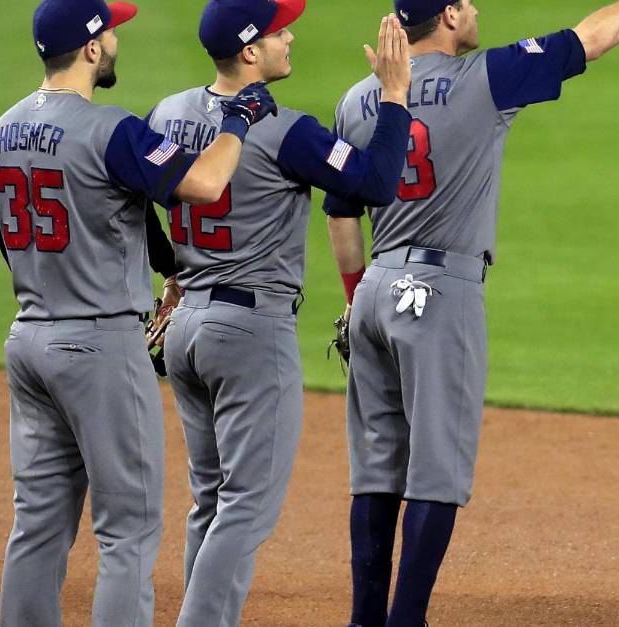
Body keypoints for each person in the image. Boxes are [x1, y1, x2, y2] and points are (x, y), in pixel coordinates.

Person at [323, 1, 619, 624]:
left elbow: (341, 213)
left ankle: (366, 618)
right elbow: (590, 38)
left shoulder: (356, 99)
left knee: (376, 466)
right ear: (449, 17)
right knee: (436, 473)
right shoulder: (484, 76)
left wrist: (353, 296)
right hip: (436, 292)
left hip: (372, 289)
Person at [0, 1, 274, 624]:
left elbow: (11, 231)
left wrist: (160, 269)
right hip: (99, 347)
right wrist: (239, 120)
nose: (115, 40)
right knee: (128, 531)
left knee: (36, 526)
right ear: (89, 49)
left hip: (28, 338)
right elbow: (205, 183)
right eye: (108, 32)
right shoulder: (110, 129)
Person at [144, 1, 414, 625]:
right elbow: (374, 185)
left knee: (210, 501)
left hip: (186, 332)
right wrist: (395, 98)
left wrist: (171, 270)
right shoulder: (287, 130)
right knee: (245, 508)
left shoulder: (167, 113)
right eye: (277, 32)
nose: (290, 37)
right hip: (249, 331)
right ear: (249, 52)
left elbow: (132, 201)